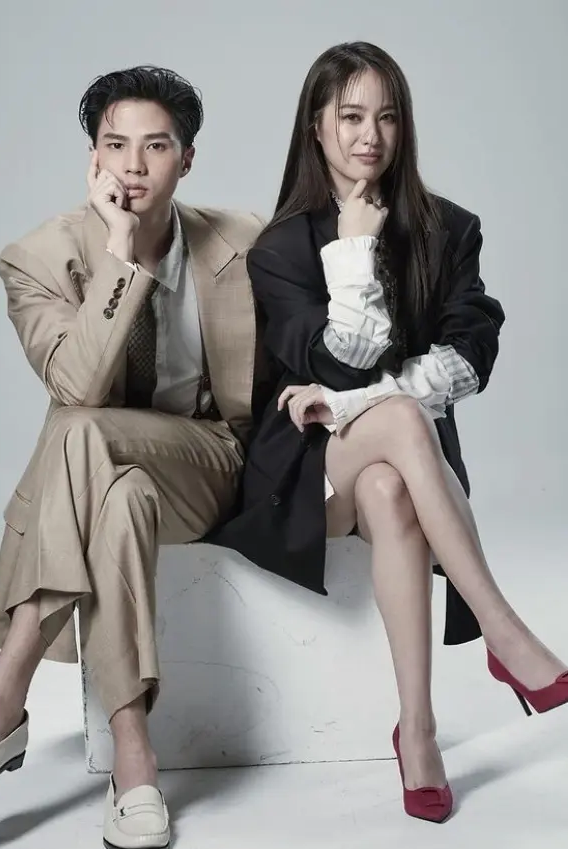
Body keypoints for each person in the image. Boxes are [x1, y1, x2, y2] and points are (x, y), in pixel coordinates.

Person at [208, 42, 568, 823]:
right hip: (302, 470)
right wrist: (353, 248)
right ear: (315, 127)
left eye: (386, 116)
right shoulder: (280, 247)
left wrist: (349, 402)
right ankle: (504, 633)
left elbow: (468, 357)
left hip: (394, 465)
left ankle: (419, 732)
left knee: (389, 488)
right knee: (401, 418)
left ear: (404, 127)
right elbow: (338, 358)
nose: (368, 135)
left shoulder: (449, 229)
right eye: (349, 116)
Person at [0, 65, 268, 849]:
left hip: (211, 462)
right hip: (112, 481)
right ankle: (134, 764)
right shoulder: (37, 257)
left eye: (155, 146)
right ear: (92, 156)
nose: (132, 166)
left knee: (77, 433)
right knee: (118, 501)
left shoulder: (243, 240)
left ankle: (4, 693)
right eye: (114, 145)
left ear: (187, 158)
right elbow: (76, 382)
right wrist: (121, 257)